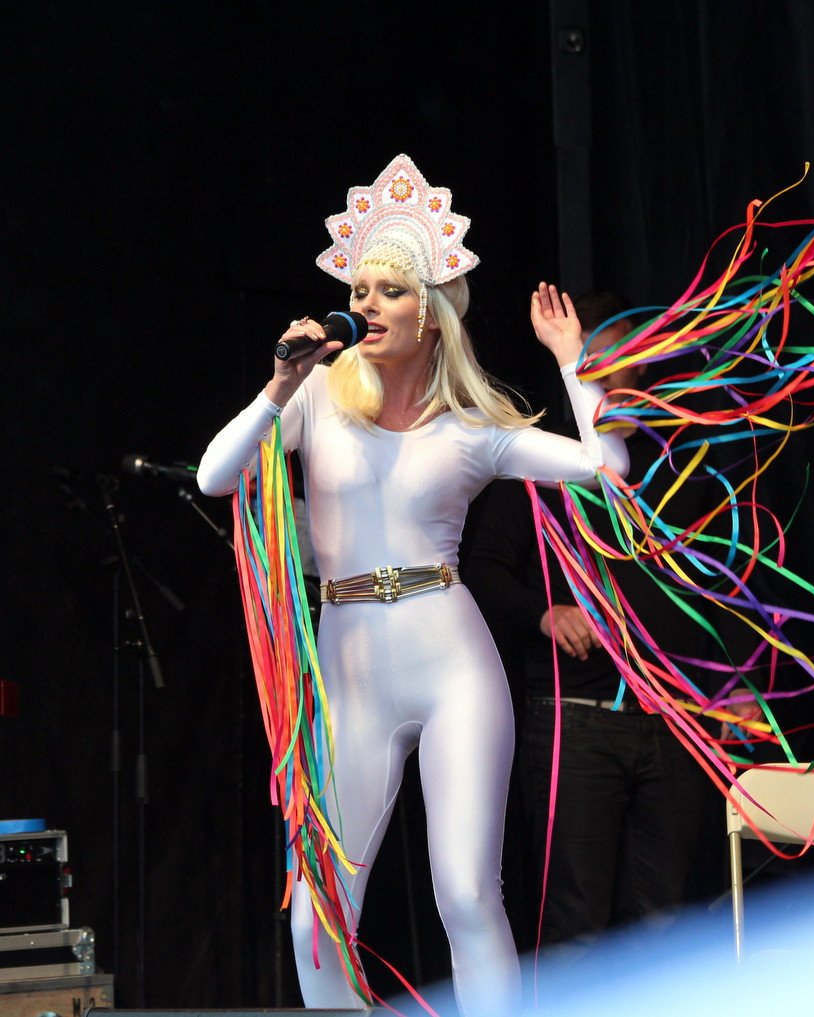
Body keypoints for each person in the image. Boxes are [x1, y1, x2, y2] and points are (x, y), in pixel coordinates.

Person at [195, 154, 628, 1016]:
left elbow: (605, 470)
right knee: (316, 913)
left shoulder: (473, 426)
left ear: (429, 312)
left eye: (388, 289)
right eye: (360, 290)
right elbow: (214, 476)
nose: (366, 305)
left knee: (467, 892)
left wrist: (576, 363)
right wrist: (278, 386)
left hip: (452, 657)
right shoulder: (316, 394)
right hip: (351, 662)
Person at [465, 292, 761, 953]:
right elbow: (482, 570)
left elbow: (725, 581)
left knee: (663, 919)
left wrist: (738, 680)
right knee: (577, 921)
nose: (616, 370)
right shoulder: (545, 467)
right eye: (598, 358)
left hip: (676, 722)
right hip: (578, 719)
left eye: (630, 357)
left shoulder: (682, 470)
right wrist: (544, 613)